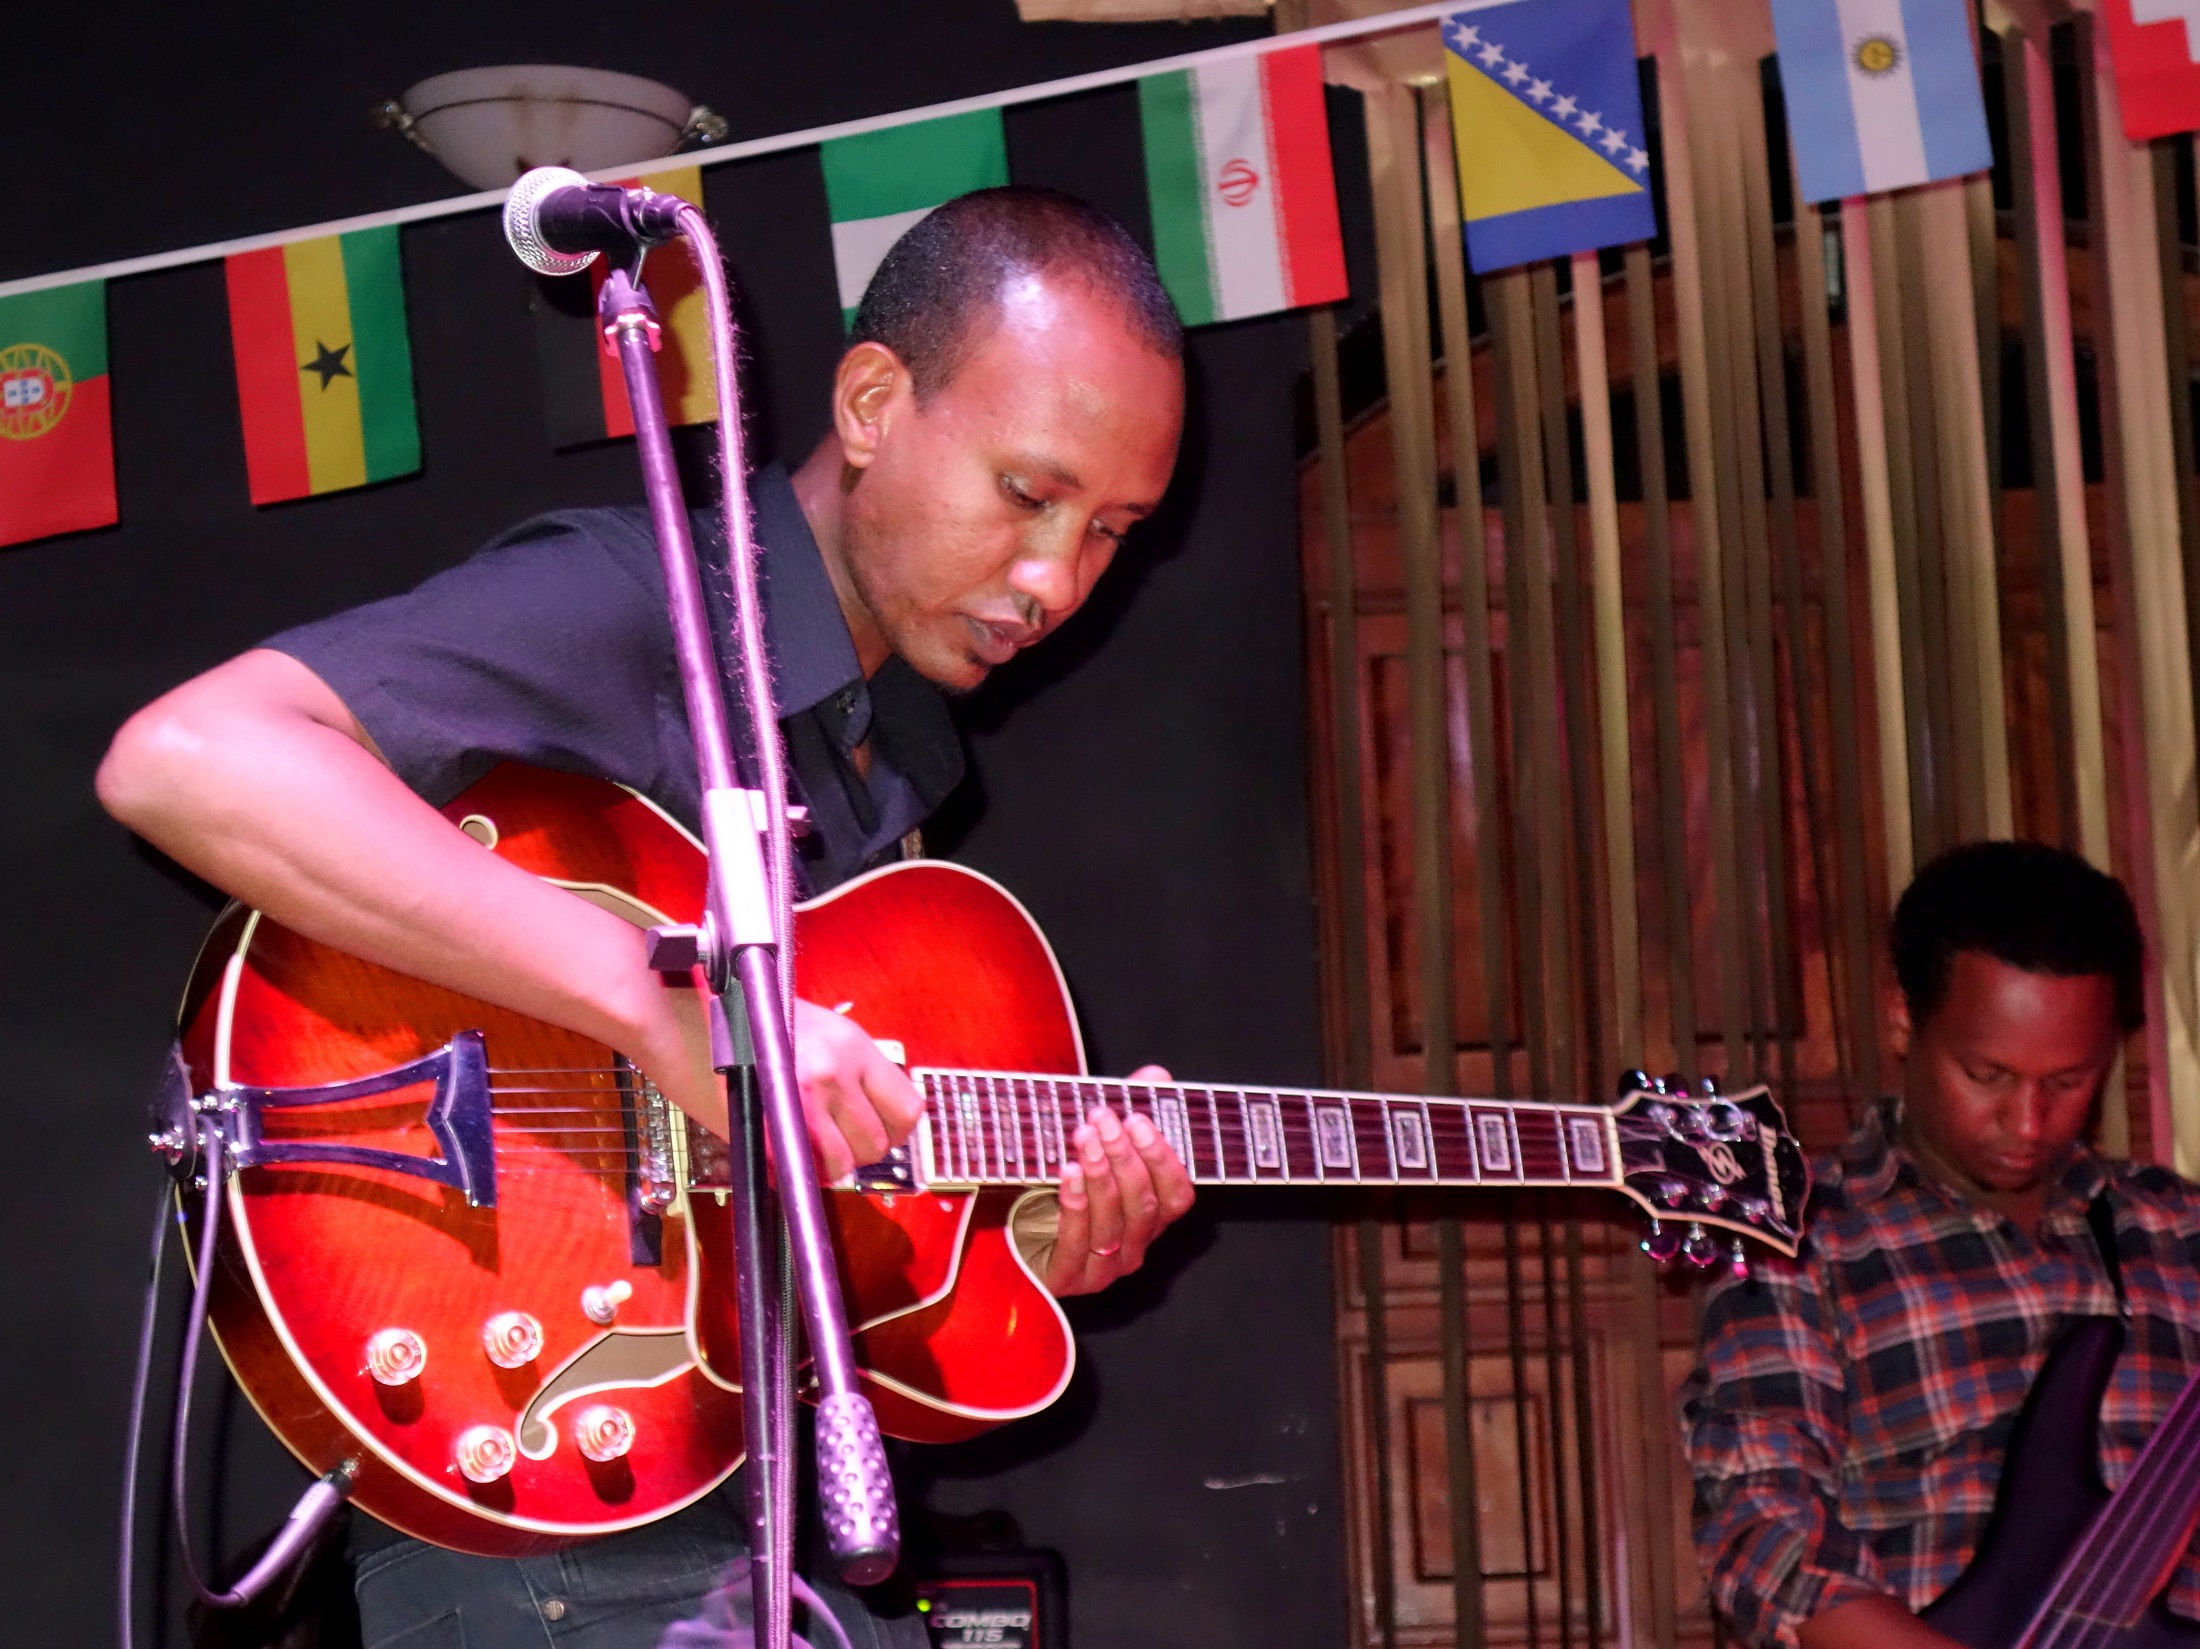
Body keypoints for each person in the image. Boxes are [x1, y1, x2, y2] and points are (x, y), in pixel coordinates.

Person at [97, 188, 1199, 1648]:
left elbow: (773, 1223)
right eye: (1026, 494)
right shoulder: (633, 600)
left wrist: (1018, 1239)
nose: (1057, 580)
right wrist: (665, 1003)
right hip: (537, 1511)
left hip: (737, 1521)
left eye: (1110, 530)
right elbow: (187, 756)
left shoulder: (892, 766)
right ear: (872, 401)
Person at [1677, 840, 2200, 1649]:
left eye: (2068, 1082)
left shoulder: (2178, 1235)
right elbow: (1764, 1528)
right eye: (1986, 1073)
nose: (2029, 1122)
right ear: (1901, 1016)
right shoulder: (1798, 1237)